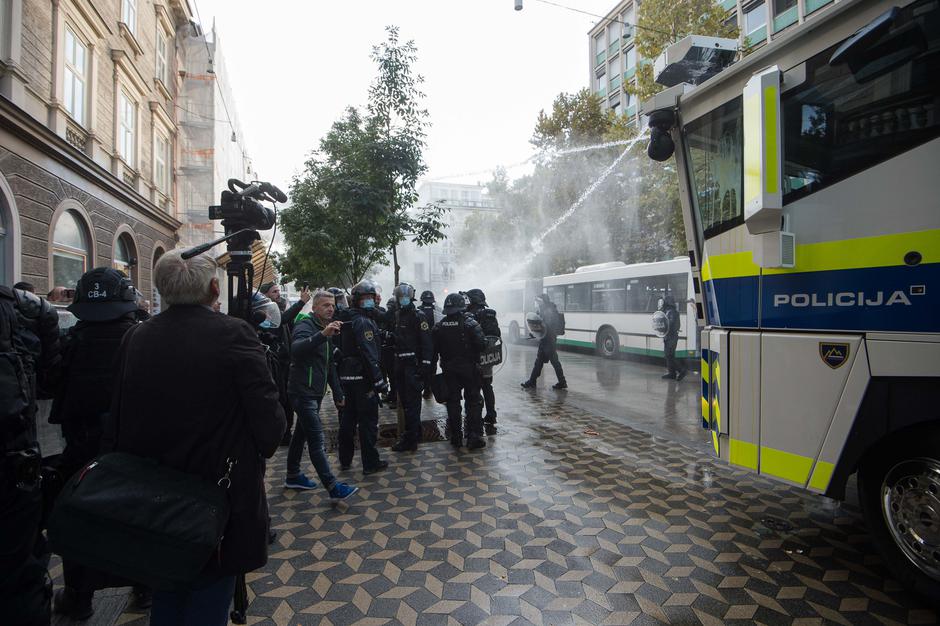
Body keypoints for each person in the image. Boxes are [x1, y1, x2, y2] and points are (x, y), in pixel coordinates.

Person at [104, 249, 285, 625]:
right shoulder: (234, 334)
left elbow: (117, 422)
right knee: (208, 594)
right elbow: (270, 427)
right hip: (216, 501)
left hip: (151, 494)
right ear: (215, 288)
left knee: (168, 586)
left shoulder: (136, 337)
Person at [49, 267, 144, 619]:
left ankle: (79, 596)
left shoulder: (71, 342)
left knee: (81, 521)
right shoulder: (141, 339)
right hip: (135, 449)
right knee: (140, 514)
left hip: (81, 451)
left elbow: (49, 385)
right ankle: (145, 585)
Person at [0, 283, 60, 626]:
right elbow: (50, 379)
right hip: (12, 462)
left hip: (14, 463)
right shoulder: (25, 310)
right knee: (17, 573)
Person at [284, 290, 358, 500]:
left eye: (332, 305)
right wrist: (323, 335)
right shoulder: (306, 325)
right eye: (325, 305)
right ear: (314, 308)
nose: (331, 309)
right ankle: (333, 487)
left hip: (315, 393)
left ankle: (292, 475)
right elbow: (296, 349)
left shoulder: (326, 329)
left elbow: (329, 366)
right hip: (301, 392)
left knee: (300, 434)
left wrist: (337, 392)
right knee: (316, 440)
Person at [335, 280, 388, 475]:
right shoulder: (363, 322)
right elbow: (369, 354)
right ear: (357, 300)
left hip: (346, 376)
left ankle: (345, 459)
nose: (369, 302)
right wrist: (379, 381)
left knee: (347, 420)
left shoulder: (345, 319)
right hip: (363, 379)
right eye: (365, 298)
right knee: (367, 422)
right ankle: (370, 462)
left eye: (371, 298)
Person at [433, 293, 487, 450]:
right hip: (469, 370)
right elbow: (482, 344)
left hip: (449, 371)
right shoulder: (470, 323)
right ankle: (473, 437)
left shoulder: (439, 326)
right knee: (473, 402)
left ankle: (456, 437)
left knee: (453, 402)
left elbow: (433, 350)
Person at [259, 282, 311, 445]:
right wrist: (301, 302)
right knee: (282, 400)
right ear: (265, 295)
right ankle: (282, 433)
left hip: (288, 363)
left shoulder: (279, 312)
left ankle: (287, 431)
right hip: (277, 365)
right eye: (274, 292)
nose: (278, 294)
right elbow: (282, 320)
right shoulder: (266, 316)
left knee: (288, 400)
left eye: (278, 291)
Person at [389, 283, 433, 452]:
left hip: (412, 368)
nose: (403, 300)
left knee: (412, 406)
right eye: (401, 298)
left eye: (405, 297)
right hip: (400, 366)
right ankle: (413, 433)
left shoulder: (418, 316)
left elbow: (427, 343)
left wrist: (425, 367)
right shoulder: (398, 315)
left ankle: (411, 440)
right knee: (407, 404)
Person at [465, 288, 500, 435]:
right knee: (487, 386)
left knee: (473, 388)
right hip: (489, 356)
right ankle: (491, 415)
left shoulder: (470, 315)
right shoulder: (490, 314)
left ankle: (474, 418)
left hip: (475, 357)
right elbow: (497, 334)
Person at [521, 294, 567, 390]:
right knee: (540, 362)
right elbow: (539, 325)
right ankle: (533, 381)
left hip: (549, 340)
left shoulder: (549, 310)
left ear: (542, 301)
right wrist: (534, 333)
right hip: (546, 340)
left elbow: (547, 326)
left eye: (538, 301)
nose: (537, 303)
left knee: (553, 362)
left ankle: (561, 382)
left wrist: (540, 332)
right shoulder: (544, 309)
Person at [660, 294, 687, 381]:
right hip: (668, 336)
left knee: (669, 355)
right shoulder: (669, 311)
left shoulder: (671, 312)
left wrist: (662, 323)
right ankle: (672, 373)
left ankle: (681, 370)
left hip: (671, 336)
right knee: (668, 355)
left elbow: (670, 324)